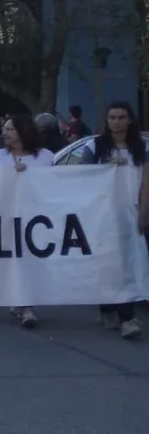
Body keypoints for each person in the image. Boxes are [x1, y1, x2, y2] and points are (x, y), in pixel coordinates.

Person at [79, 102, 144, 340]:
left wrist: (143, 212)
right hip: (102, 216)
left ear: (129, 121)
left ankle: (119, 312)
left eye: (121, 117)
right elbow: (81, 179)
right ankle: (121, 314)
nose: (117, 122)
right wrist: (105, 169)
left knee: (126, 264)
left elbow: (145, 182)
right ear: (106, 121)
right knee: (110, 265)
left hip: (130, 214)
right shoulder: (94, 147)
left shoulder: (141, 148)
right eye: (112, 117)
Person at [0, 114, 54, 329]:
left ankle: (22, 301)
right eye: (4, 129)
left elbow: (55, 184)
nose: (4, 133)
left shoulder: (46, 156)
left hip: (38, 218)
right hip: (8, 217)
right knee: (16, 261)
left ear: (23, 131)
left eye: (9, 129)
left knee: (32, 261)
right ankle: (24, 305)